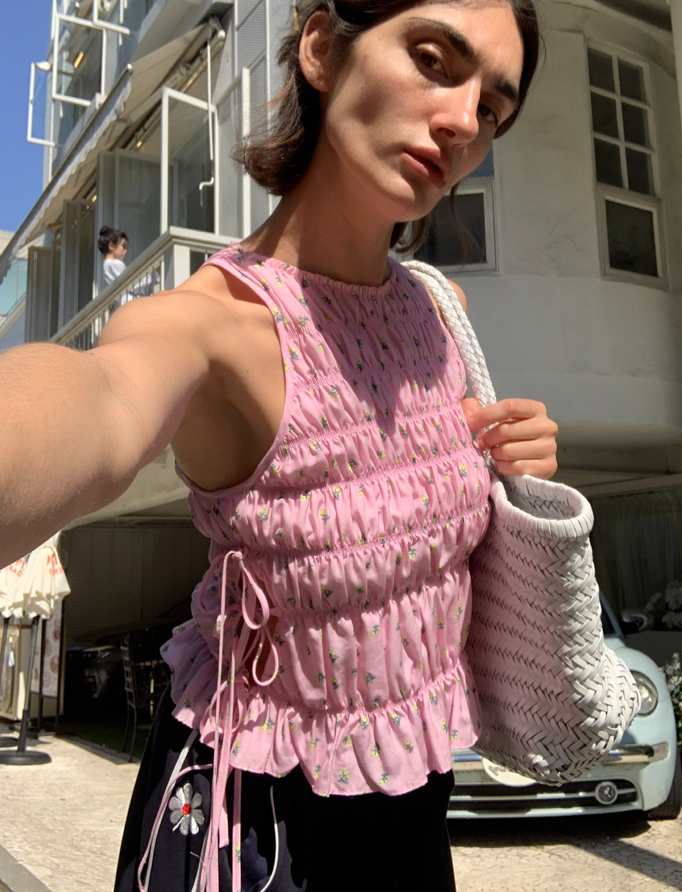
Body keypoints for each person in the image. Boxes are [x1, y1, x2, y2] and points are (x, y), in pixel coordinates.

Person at [0, 0, 556, 888]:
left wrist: (509, 464)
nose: (463, 122)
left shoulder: (441, 313)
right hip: (252, 821)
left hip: (413, 808)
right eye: (432, 59)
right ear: (323, 49)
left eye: (492, 108)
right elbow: (102, 401)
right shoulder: (209, 325)